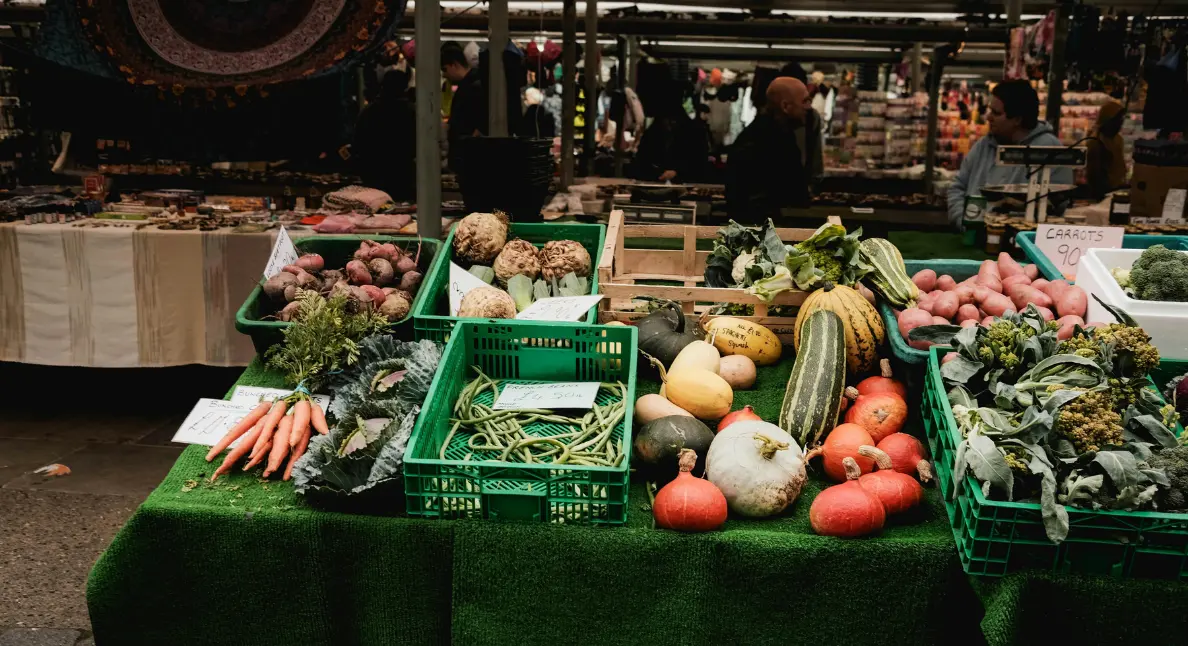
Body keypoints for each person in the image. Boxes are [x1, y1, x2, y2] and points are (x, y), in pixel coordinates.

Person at [947, 79, 1072, 226]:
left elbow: (1060, 204)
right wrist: (964, 220)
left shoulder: (1050, 149)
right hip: (973, 236)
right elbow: (958, 187)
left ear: (1017, 119)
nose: (988, 117)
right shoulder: (983, 145)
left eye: (996, 113)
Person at [725, 77, 812, 222]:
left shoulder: (768, 134)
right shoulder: (767, 141)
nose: (808, 107)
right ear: (785, 106)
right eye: (805, 101)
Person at [352, 69, 416, 200]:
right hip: (403, 173)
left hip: (373, 173)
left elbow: (358, 142)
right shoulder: (411, 111)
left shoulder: (369, 112)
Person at [632, 83, 706, 183]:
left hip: (685, 185)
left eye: (673, 120)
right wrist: (657, 173)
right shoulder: (653, 133)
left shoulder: (693, 132)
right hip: (654, 185)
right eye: (667, 120)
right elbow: (641, 162)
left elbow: (698, 163)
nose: (670, 124)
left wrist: (677, 172)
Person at [442, 41, 486, 172]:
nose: (444, 74)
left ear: (454, 65)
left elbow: (480, 121)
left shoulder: (474, 86)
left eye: (445, 69)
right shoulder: (470, 84)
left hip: (468, 155)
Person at [1085, 100, 1127, 199]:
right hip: (1102, 194)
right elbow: (1094, 175)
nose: (1120, 123)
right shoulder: (1095, 141)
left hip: (1117, 190)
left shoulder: (1117, 139)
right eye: (1117, 119)